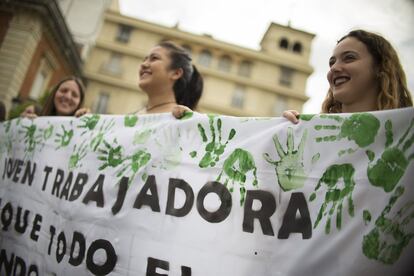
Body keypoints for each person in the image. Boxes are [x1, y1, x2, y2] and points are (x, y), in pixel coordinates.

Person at [284, 29, 413, 123]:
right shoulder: (309, 132)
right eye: (332, 62)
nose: (334, 68)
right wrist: (284, 130)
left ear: (380, 67)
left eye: (349, 58)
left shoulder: (407, 132)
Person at [136, 40, 203, 118]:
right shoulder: (129, 119)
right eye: (144, 60)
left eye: (154, 58)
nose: (143, 64)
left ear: (176, 73)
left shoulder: (184, 120)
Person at [20, 76, 89, 118]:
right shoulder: (35, 114)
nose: (68, 96)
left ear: (80, 102)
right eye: (64, 91)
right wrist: (23, 123)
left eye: (74, 95)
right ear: (54, 93)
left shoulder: (84, 127)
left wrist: (86, 119)